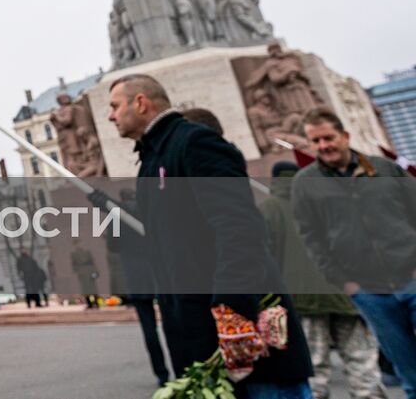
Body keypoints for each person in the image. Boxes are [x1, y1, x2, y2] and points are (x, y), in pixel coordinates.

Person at [107, 74, 313, 398]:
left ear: (141, 102)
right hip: (198, 339)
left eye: (115, 106)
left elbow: (239, 228)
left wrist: (232, 310)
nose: (110, 115)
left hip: (243, 335)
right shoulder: (150, 162)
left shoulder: (194, 142)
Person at [292, 108, 416, 399]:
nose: (324, 146)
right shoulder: (305, 184)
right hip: (369, 291)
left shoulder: (385, 169)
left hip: (411, 278)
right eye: (316, 141)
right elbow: (311, 237)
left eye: (328, 137)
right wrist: (345, 283)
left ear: (345, 136)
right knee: (406, 368)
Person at [261, 161, 384, 399]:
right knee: (362, 363)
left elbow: (267, 258)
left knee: (314, 368)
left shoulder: (269, 209)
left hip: (304, 300)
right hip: (346, 294)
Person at [105, 189, 172, 387]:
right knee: (172, 321)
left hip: (135, 276)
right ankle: (181, 365)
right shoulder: (148, 209)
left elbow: (113, 245)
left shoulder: (116, 214)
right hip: (159, 271)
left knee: (149, 328)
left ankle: (162, 374)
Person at [70, 243, 100, 309]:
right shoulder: (73, 254)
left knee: (93, 288)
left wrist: (95, 270)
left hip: (89, 271)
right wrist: (77, 271)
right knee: (85, 289)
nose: (78, 245)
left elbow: (92, 261)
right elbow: (74, 264)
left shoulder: (87, 252)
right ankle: (89, 303)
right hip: (82, 272)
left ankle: (96, 302)